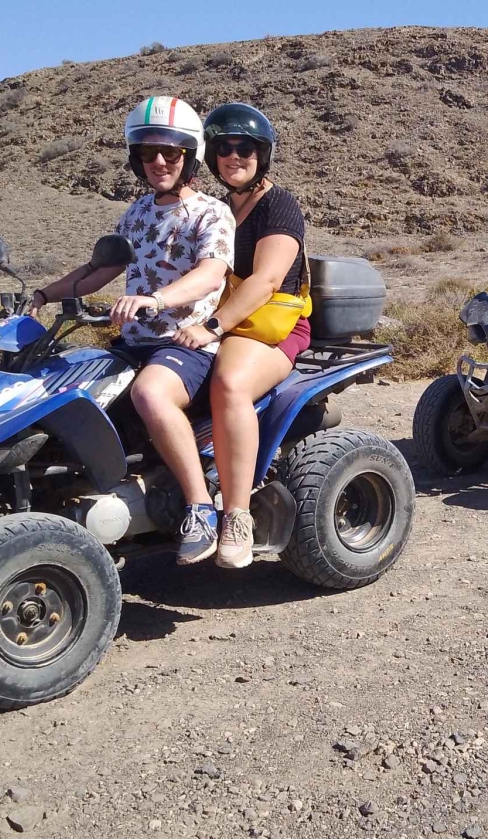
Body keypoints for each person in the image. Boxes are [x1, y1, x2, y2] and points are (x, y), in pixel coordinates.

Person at [29, 96, 235, 565]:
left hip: (186, 342)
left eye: (171, 152)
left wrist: (156, 299)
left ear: (190, 156)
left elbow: (211, 274)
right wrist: (42, 295)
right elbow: (100, 268)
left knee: (150, 394)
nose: (158, 161)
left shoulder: (211, 213)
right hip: (132, 343)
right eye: (147, 152)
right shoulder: (138, 213)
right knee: (64, 391)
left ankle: (201, 508)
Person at [182, 102, 313, 569]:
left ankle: (236, 516)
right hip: (221, 316)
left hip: (269, 326)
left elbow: (267, 281)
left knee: (230, 383)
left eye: (245, 148)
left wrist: (212, 327)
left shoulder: (279, 204)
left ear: (263, 154)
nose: (233, 156)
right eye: (223, 148)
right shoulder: (217, 208)